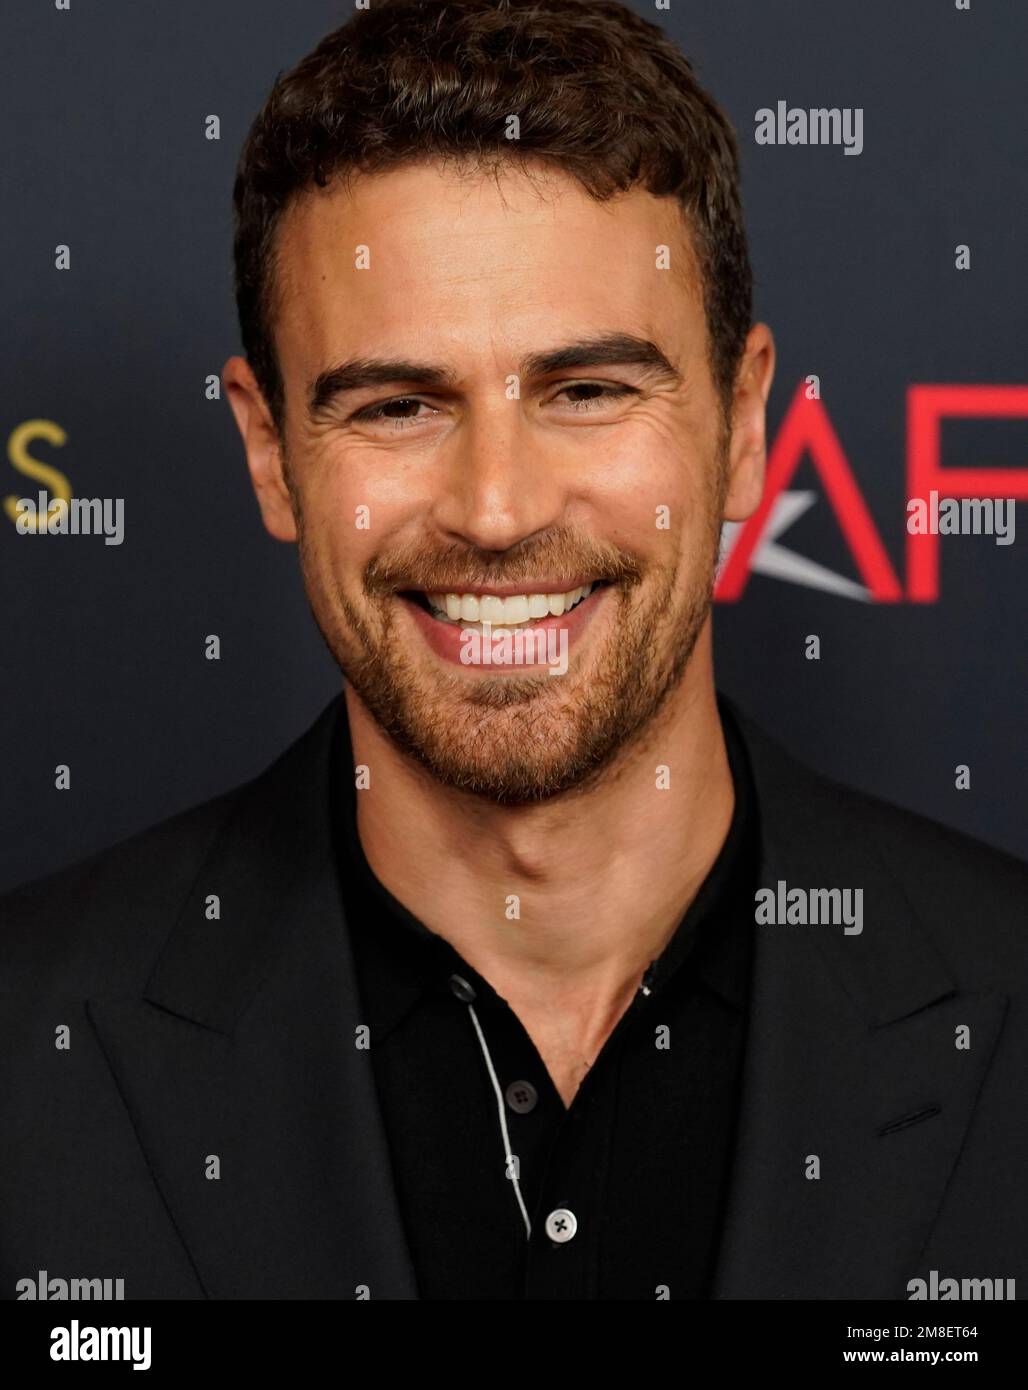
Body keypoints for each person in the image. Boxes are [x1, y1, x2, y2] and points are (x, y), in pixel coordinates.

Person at [2, 0, 1026, 1301]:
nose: (496, 509)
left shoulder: (1007, 1004)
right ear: (268, 452)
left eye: (587, 391)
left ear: (744, 423)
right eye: (397, 405)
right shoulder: (29, 1047)